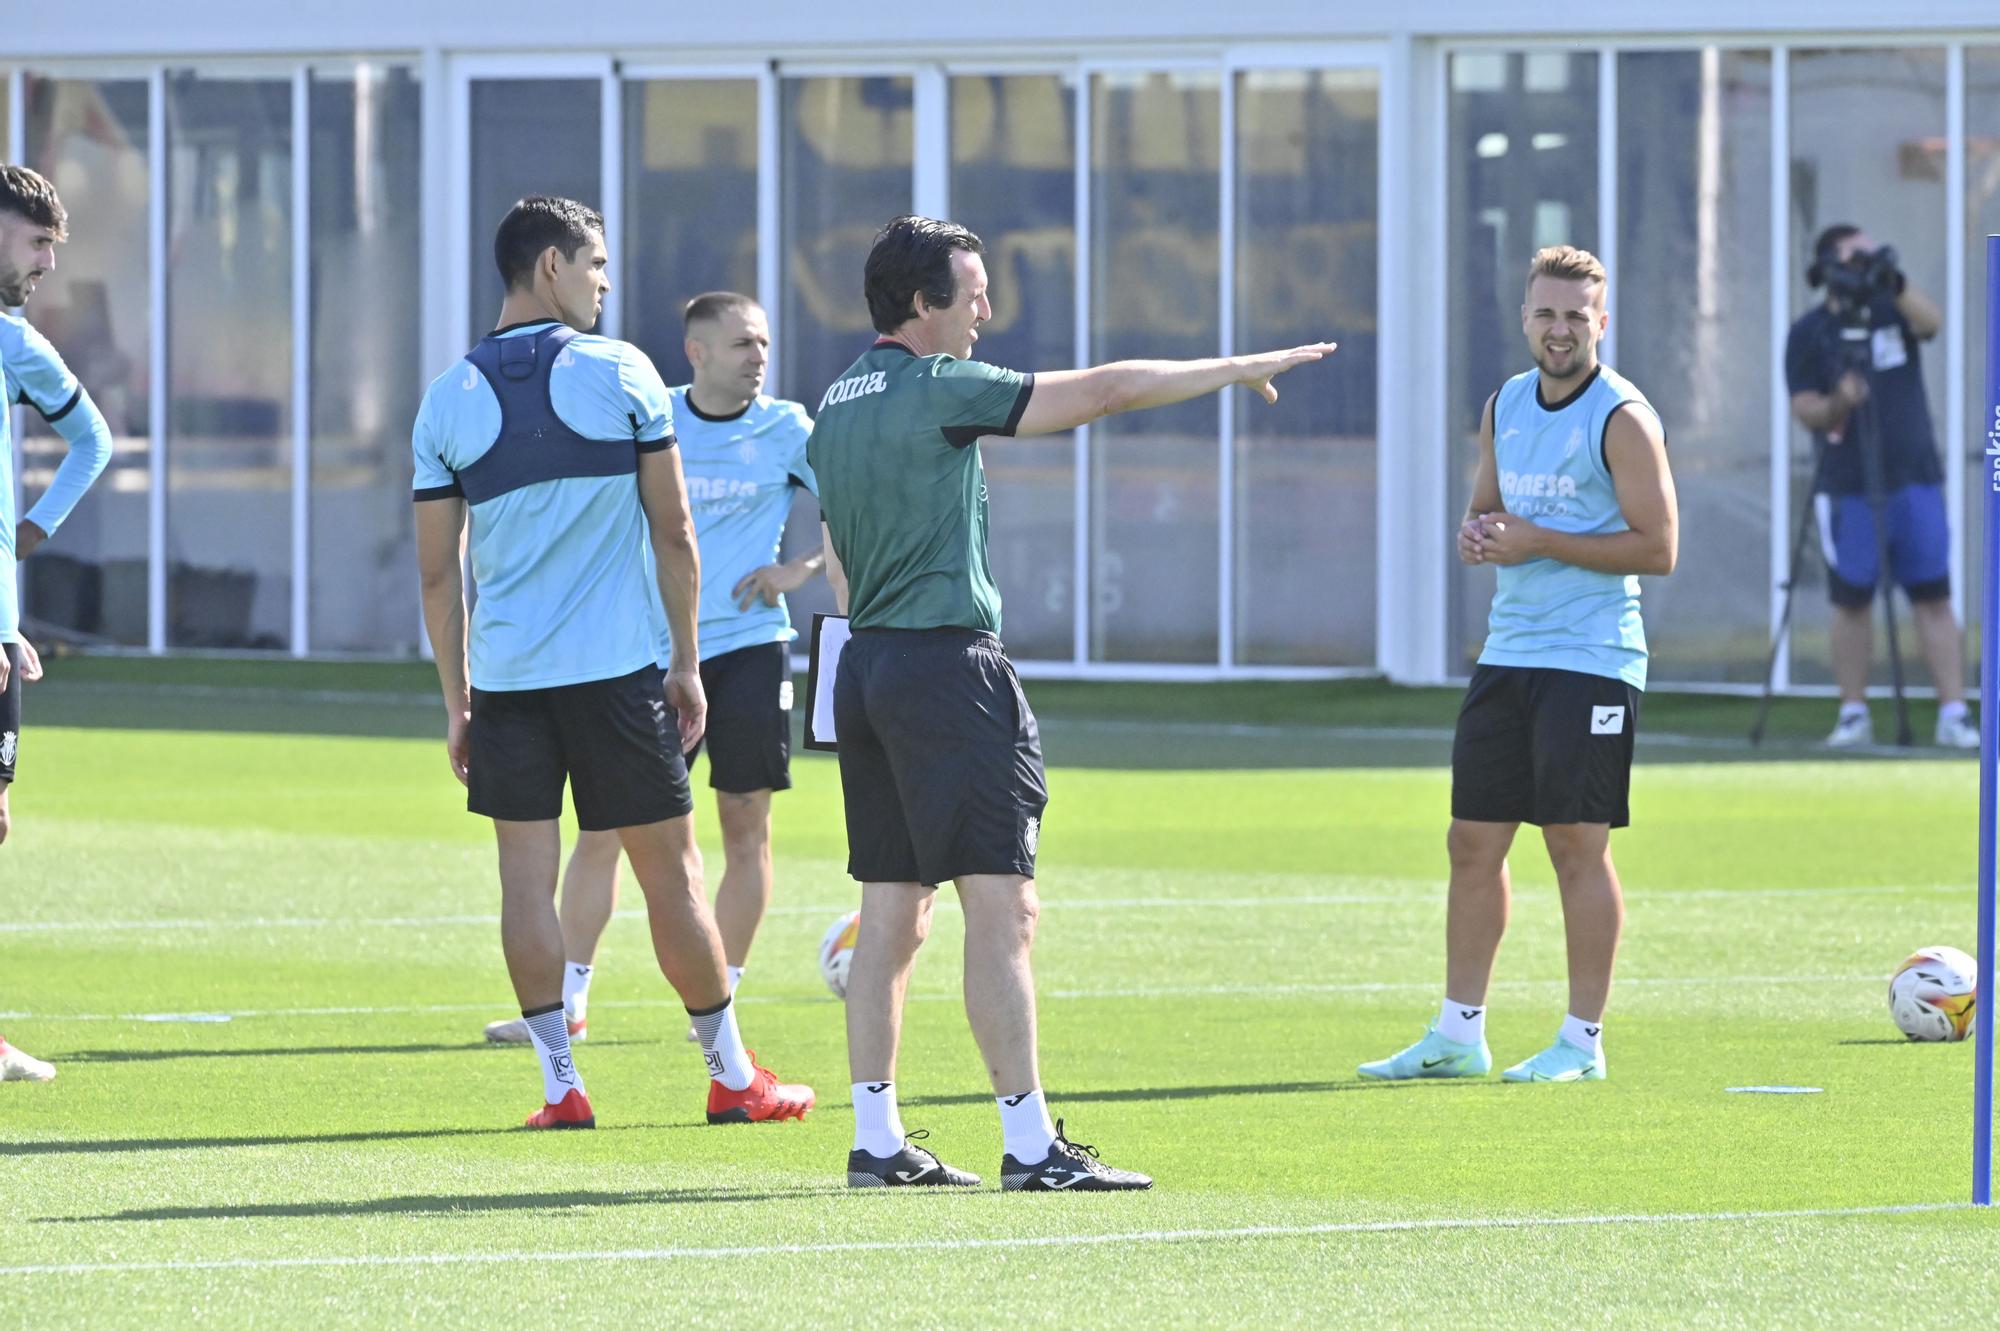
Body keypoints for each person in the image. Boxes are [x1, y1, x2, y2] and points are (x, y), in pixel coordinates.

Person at [813, 214, 1333, 1189]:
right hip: (945, 666)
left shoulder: (833, 404)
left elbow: (839, 560)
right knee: (1002, 907)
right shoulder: (937, 384)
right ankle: (1027, 1145)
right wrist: (1229, 366)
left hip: (868, 665)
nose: (986, 312)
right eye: (970, 294)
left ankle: (876, 1141)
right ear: (922, 305)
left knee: (890, 907)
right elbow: (1104, 392)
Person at [412, 196, 812, 1129]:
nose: (603, 284)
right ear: (550, 265)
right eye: (595, 265)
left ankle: (561, 1086)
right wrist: (686, 661)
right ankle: (730, 1075)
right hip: (617, 675)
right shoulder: (622, 370)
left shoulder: (446, 397)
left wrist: (457, 701)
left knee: (524, 879)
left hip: (507, 682)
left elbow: (438, 578)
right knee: (670, 875)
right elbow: (675, 533)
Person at [1359, 244, 1677, 1086]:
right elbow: (1487, 507)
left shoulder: (1622, 416)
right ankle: (1459, 1033)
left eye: (1577, 314)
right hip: (1511, 651)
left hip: (1594, 658)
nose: (1560, 328)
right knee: (1472, 841)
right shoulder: (1504, 402)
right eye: (1547, 312)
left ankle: (1582, 1040)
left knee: (1576, 843)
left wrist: (1540, 542)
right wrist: (1478, 532)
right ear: (1525, 317)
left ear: (1602, 322)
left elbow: (1661, 546)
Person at [479, 291, 825, 1048]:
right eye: (742, 343)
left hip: (750, 649)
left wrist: (801, 568)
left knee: (745, 828)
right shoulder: (650, 411)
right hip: (654, 656)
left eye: (764, 343)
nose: (758, 356)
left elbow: (859, 503)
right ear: (696, 351)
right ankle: (567, 1000)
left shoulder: (789, 427)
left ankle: (719, 1004)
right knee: (603, 831)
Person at [0, 163, 117, 1083]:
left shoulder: (14, 341)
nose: (46, 262)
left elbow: (94, 439)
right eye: (36, 240)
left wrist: (20, 553)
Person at [1784, 224, 1972, 749]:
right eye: (1855, 256)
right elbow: (1806, 411)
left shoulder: (1894, 312)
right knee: (1853, 601)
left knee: (1934, 595)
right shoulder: (1811, 332)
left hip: (1915, 477)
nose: (1865, 263)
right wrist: (1840, 401)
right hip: (1849, 485)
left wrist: (1891, 276)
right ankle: (1852, 713)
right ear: (1828, 268)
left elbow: (1932, 320)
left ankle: (1954, 713)